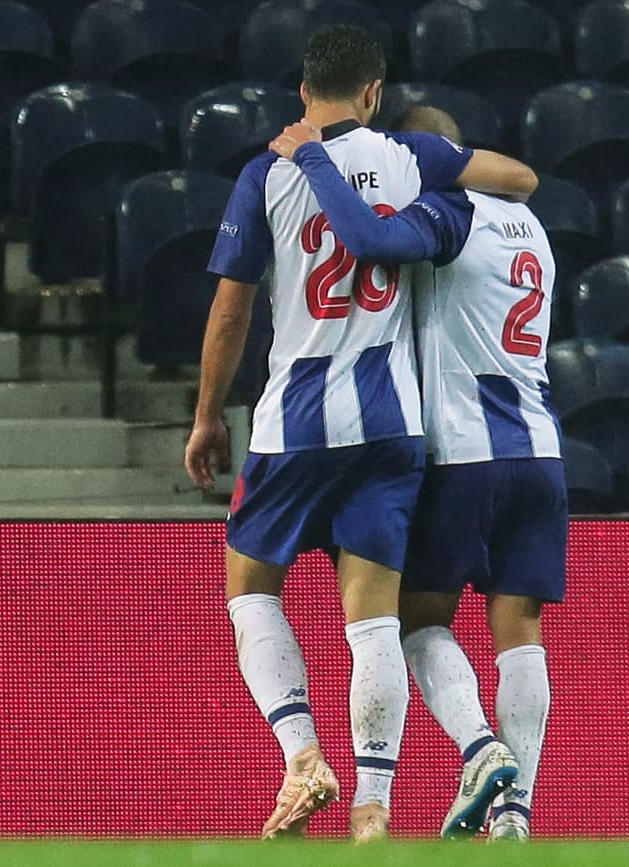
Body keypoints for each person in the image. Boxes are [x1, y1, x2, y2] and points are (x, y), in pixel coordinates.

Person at [184, 24, 539, 842]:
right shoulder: (415, 158)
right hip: (392, 425)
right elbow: (517, 177)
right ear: (375, 92)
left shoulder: (267, 170)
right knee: (372, 617)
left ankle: (304, 756)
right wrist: (431, 166)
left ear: (305, 93)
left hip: (296, 421)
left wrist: (207, 413)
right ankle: (374, 806)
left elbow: (233, 306)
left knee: (250, 590)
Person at [268, 105, 562, 842]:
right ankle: (516, 816)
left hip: (463, 451)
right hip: (543, 450)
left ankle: (478, 748)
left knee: (412, 623)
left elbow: (372, 247)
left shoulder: (445, 214)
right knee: (519, 631)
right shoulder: (536, 230)